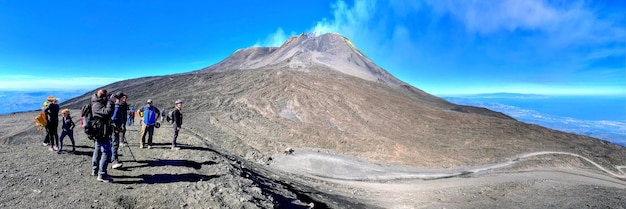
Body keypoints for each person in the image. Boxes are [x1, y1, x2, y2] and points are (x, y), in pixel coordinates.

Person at [91, 89, 113, 182]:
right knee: (106, 152)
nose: (107, 98)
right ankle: (102, 175)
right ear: (103, 97)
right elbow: (107, 112)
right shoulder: (96, 105)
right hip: (101, 133)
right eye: (106, 96)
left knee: (97, 150)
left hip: (101, 131)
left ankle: (95, 170)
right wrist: (111, 102)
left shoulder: (98, 102)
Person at [110, 92, 128, 169]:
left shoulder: (116, 104)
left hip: (115, 127)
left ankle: (113, 158)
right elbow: (113, 118)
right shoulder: (117, 106)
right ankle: (114, 161)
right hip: (115, 128)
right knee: (115, 143)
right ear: (120, 98)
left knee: (113, 143)